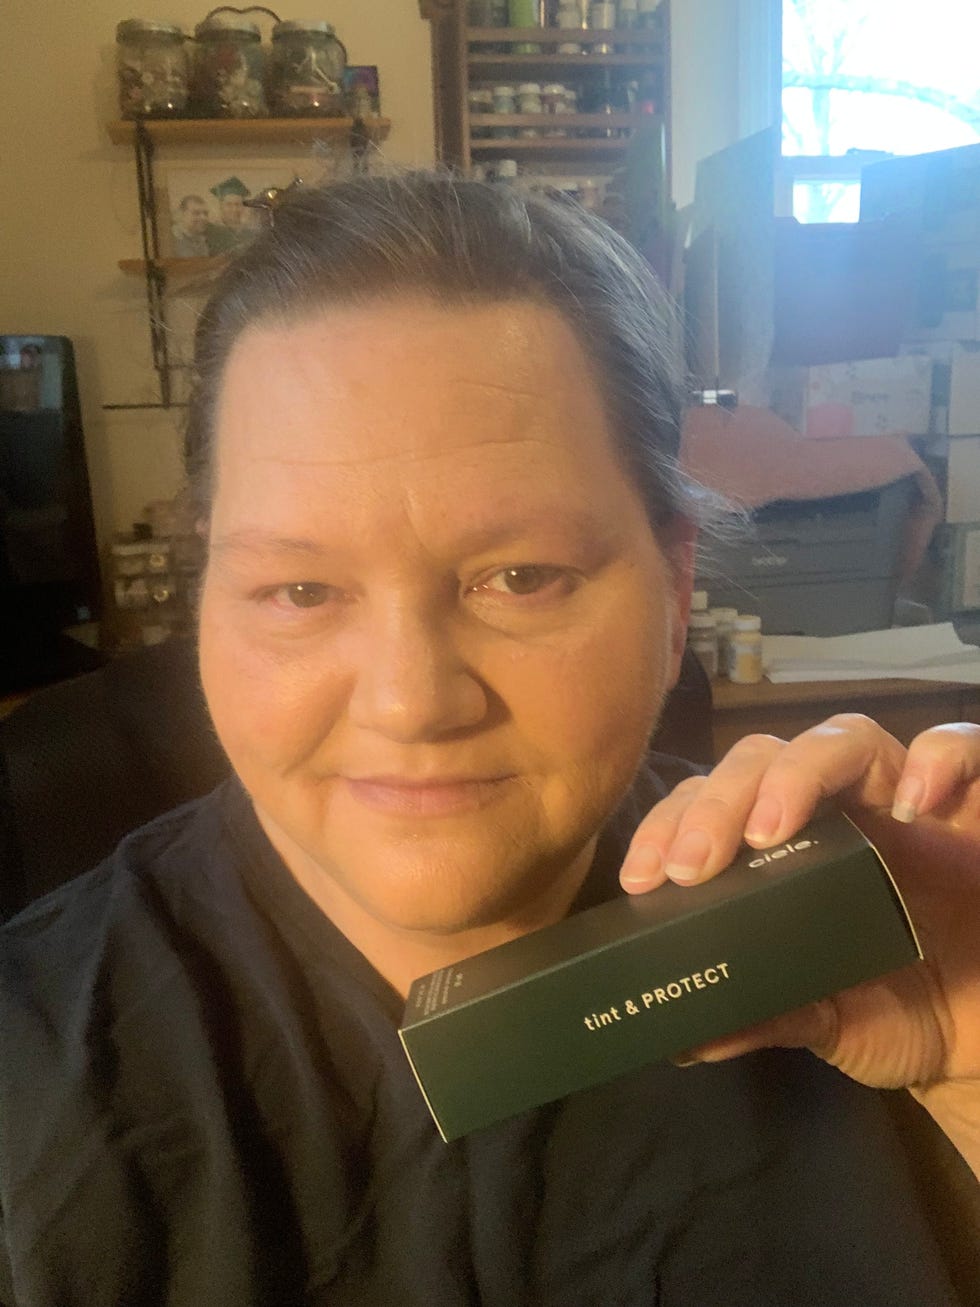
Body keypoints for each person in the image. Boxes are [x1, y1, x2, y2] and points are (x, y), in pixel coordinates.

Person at [1, 171, 978, 1306]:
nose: (412, 702)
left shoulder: (895, 951)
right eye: (300, 587)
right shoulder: (27, 1075)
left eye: (521, 577)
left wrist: (966, 1065)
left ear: (672, 591)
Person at [206, 175, 256, 255]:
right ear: (221, 206)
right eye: (229, 204)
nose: (234, 209)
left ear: (243, 207)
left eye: (238, 204)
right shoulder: (210, 232)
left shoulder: (251, 234)